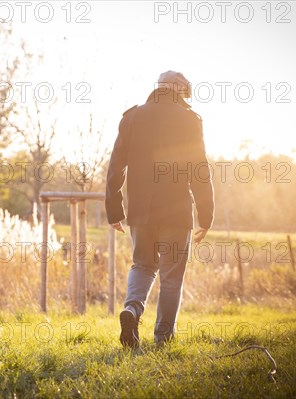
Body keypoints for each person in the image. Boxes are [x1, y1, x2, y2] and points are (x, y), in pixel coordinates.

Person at [105, 70, 215, 349]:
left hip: (141, 211)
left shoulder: (131, 117)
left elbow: (116, 166)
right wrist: (206, 214)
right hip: (176, 213)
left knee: (142, 265)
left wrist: (115, 210)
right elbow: (199, 170)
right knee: (171, 277)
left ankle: (132, 310)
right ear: (179, 92)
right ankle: (163, 339)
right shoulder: (189, 120)